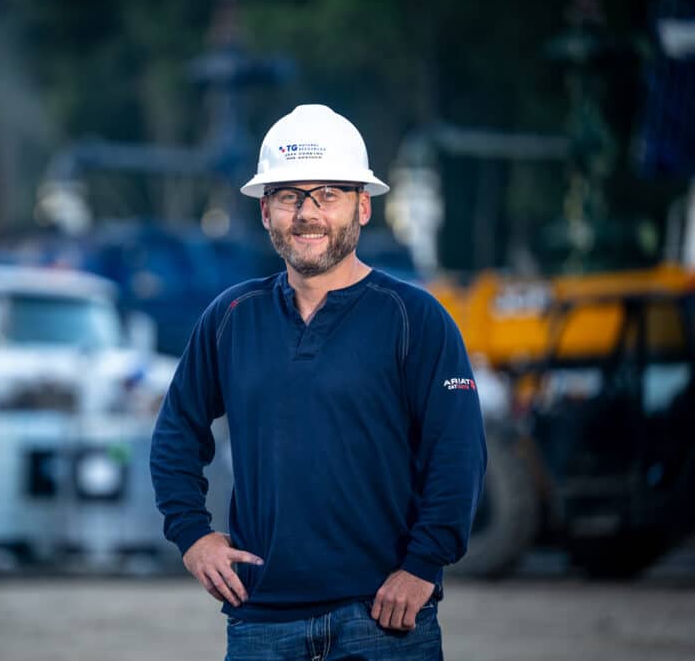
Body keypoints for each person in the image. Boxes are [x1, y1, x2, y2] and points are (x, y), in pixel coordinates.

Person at [150, 104, 487, 660]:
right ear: (265, 211)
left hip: (385, 620)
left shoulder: (415, 318)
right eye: (289, 196)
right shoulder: (231, 317)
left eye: (328, 194)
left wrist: (423, 566)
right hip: (262, 624)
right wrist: (193, 536)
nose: (307, 213)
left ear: (363, 206)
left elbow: (458, 455)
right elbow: (175, 437)